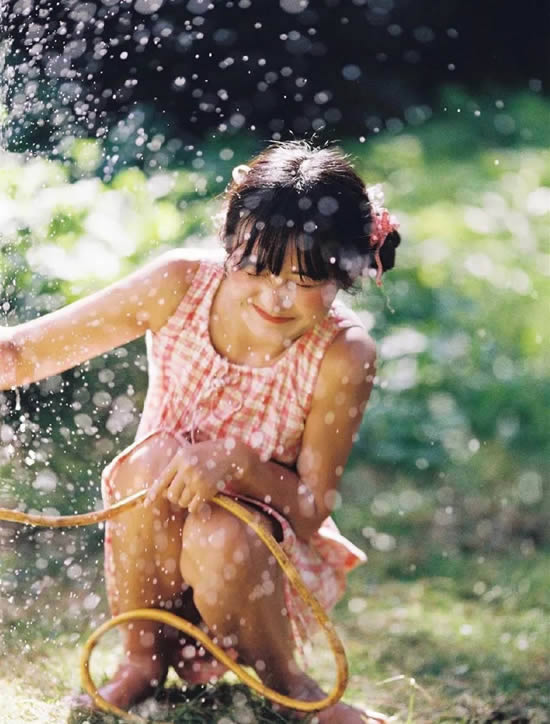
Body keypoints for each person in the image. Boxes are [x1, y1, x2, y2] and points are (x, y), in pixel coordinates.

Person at [0, 139, 400, 723]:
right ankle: (141, 662)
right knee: (154, 458)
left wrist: (238, 465)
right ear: (228, 242)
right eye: (257, 267)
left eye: (306, 279)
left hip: (255, 569)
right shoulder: (180, 286)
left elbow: (312, 510)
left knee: (217, 531)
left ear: (350, 271)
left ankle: (288, 683)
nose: (276, 296)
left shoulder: (343, 353)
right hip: (150, 547)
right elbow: (20, 355)